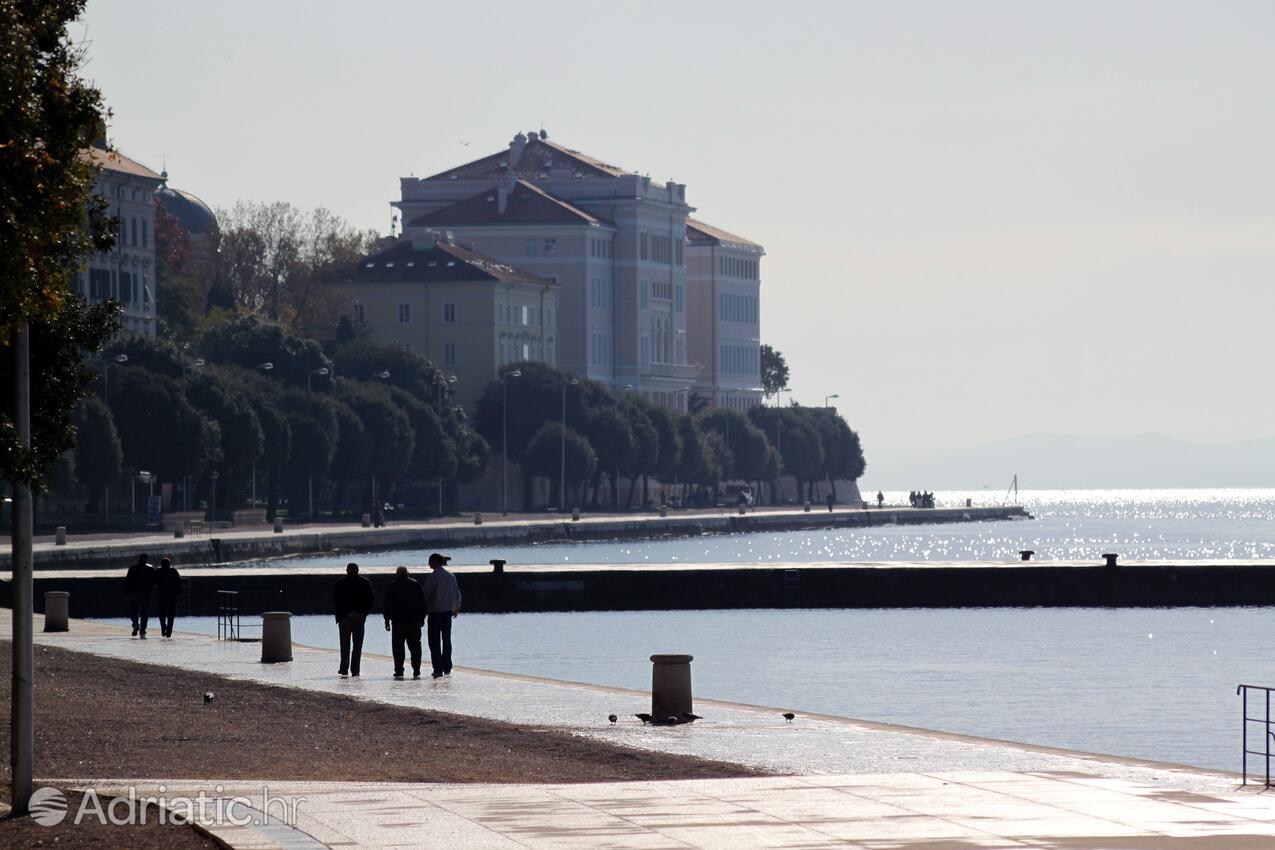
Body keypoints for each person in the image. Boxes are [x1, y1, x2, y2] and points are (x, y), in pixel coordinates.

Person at [422, 552, 462, 678]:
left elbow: (426, 595)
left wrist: (422, 612)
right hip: (447, 613)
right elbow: (457, 594)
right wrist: (455, 609)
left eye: (430, 561)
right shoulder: (451, 576)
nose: (428, 563)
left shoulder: (433, 577)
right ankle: (447, 666)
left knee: (434, 642)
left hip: (435, 613)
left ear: (435, 562)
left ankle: (437, 668)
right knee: (447, 640)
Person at [383, 565, 425, 679]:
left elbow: (388, 606)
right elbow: (422, 603)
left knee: (398, 647)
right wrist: (422, 618)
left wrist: (387, 621)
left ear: (397, 574)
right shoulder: (416, 585)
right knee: (415, 646)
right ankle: (416, 669)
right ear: (407, 573)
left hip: (398, 622)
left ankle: (399, 670)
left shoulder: (392, 586)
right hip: (413, 621)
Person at [333, 562, 375, 677]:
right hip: (359, 618)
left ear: (347, 570)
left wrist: (349, 613)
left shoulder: (340, 583)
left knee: (344, 644)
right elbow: (370, 600)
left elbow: (338, 601)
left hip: (344, 618)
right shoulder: (365, 582)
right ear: (358, 570)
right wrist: (362, 613)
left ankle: (344, 668)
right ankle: (355, 670)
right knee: (357, 645)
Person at [124, 553, 157, 638]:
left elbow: (127, 581)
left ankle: (135, 624)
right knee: (144, 614)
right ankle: (142, 631)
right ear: (146, 559)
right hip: (146, 594)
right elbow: (155, 582)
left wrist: (127, 593)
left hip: (134, 593)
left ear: (139, 559)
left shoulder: (132, 568)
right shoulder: (150, 569)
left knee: (133, 611)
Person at [155, 557, 182, 638]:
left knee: (161, 614)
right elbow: (179, 581)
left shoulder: (158, 571)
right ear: (169, 564)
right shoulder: (173, 571)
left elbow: (154, 581)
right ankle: (169, 632)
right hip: (172, 596)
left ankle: (163, 627)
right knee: (171, 615)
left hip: (161, 595)